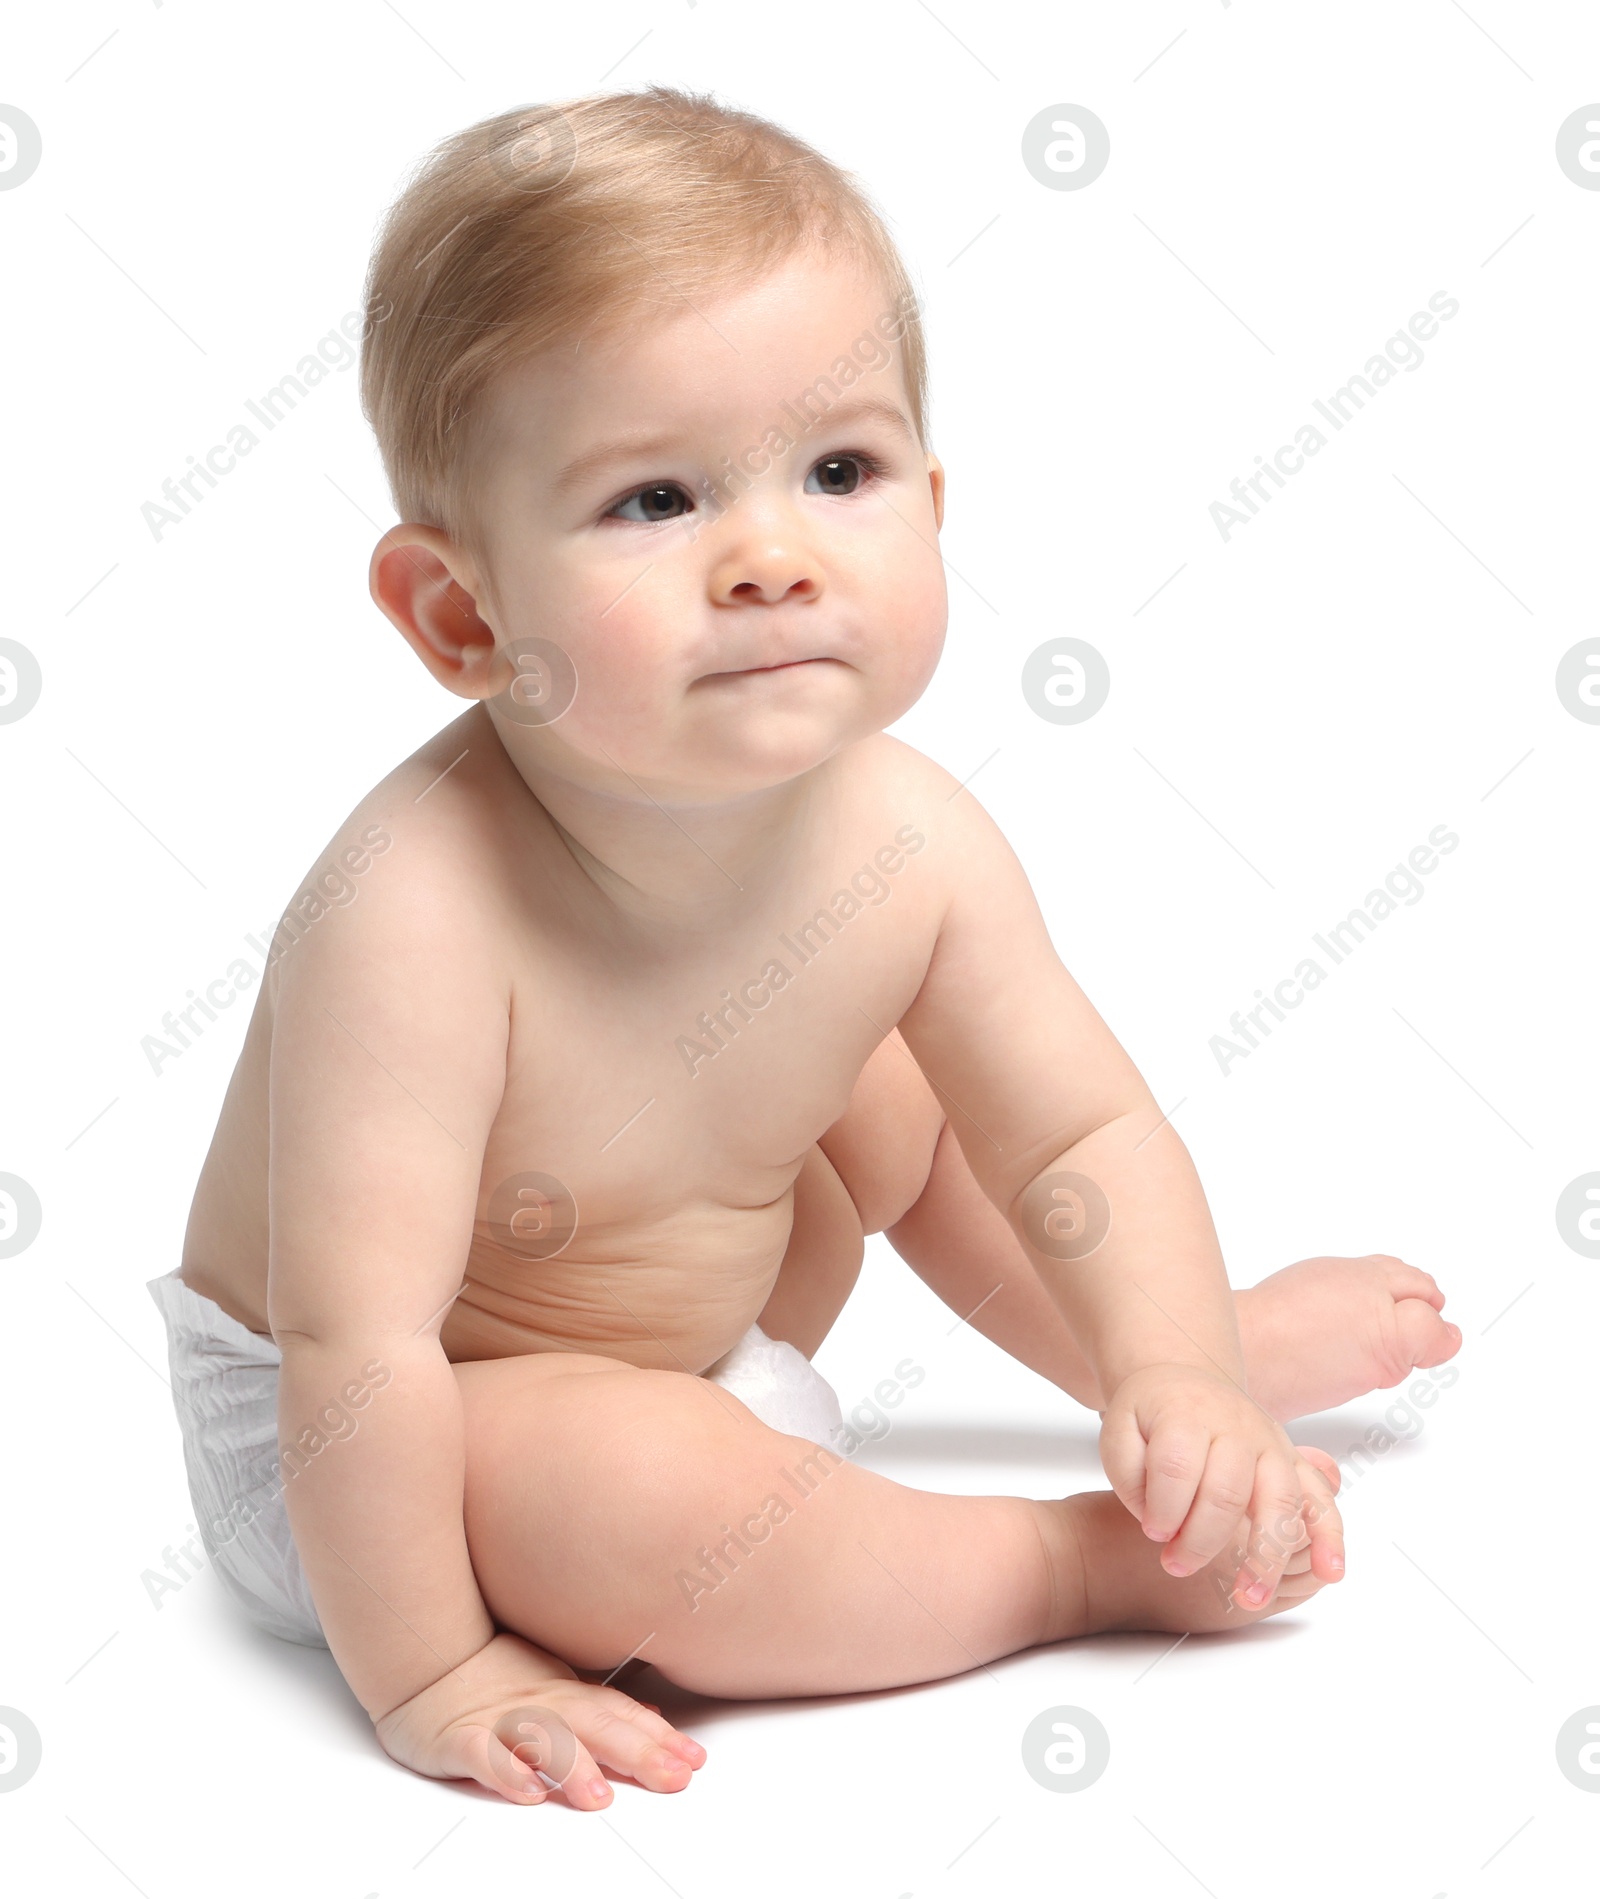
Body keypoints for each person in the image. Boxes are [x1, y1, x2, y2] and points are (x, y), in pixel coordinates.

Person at [148, 86, 1459, 1810]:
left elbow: (1074, 1131)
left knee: (907, 1089)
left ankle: (1169, 1357)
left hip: (698, 1339)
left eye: (838, 471)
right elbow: (361, 1351)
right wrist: (437, 1672)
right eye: (654, 501)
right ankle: (1064, 1567)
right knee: (621, 1479)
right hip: (388, 1462)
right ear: (464, 617)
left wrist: (1178, 1369)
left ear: (932, 493)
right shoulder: (411, 913)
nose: (771, 556)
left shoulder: (906, 839)